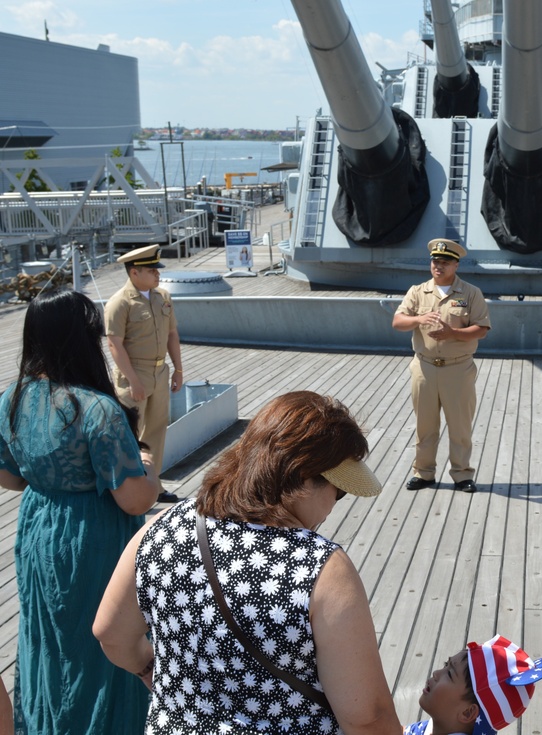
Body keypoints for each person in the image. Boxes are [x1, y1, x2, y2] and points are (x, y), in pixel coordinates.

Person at [94, 391, 404, 735]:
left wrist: (150, 672)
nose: (335, 505)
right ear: (303, 478)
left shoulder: (162, 528)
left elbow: (110, 634)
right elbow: (367, 718)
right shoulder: (320, 569)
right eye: (339, 491)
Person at [0, 289, 160, 734]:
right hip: (93, 535)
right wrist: (150, 470)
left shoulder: (11, 398)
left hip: (38, 527)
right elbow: (134, 499)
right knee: (103, 642)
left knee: (47, 639)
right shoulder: (97, 410)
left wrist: (50, 477)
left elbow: (9, 476)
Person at [392, 239, 491, 493]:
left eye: (445, 262)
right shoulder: (417, 291)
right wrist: (419, 318)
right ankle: (423, 473)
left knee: (459, 426)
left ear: (456, 265)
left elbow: (481, 329)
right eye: (435, 261)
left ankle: (461, 474)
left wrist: (453, 334)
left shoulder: (471, 294)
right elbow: (398, 321)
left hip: (458, 369)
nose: (438, 266)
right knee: (425, 425)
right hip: (424, 368)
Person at [104, 244, 183, 503]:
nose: (158, 274)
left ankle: (154, 484)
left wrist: (178, 369)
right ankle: (123, 487)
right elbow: (114, 344)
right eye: (152, 270)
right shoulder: (120, 303)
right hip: (133, 373)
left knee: (157, 430)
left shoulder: (163, 297)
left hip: (159, 372)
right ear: (134, 273)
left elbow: (172, 335)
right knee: (129, 432)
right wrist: (134, 381)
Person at [404, 636, 542, 735]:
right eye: (445, 665)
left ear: (468, 713)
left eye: (449, 674)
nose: (436, 673)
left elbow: (382, 719)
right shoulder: (439, 726)